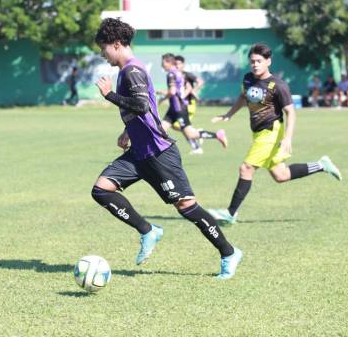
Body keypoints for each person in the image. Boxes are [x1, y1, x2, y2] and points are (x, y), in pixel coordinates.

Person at [90, 18, 242, 279]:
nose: (104, 55)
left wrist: (109, 96)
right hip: (140, 152)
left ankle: (229, 253)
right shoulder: (129, 70)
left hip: (159, 153)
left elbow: (140, 105)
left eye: (104, 49)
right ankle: (148, 230)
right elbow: (145, 107)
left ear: (116, 44)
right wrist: (129, 130)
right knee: (101, 190)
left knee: (187, 207)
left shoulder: (131, 71)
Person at [207, 43, 342, 225]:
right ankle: (321, 165)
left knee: (246, 168)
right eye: (252, 61)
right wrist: (228, 115)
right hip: (258, 133)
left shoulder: (278, 85)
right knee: (281, 175)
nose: (255, 65)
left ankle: (231, 213)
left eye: (259, 61)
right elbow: (243, 97)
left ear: (268, 61)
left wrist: (288, 137)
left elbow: (291, 113)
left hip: (271, 132)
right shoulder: (248, 79)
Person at [160, 53, 227, 154]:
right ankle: (158, 153)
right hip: (175, 108)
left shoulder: (171, 74)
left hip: (179, 109)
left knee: (190, 134)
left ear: (169, 62)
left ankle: (217, 135)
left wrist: (162, 99)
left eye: (163, 62)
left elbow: (173, 91)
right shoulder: (179, 73)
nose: (162, 65)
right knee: (160, 131)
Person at [175, 55, 204, 149]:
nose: (177, 66)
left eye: (178, 64)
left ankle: (199, 134)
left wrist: (194, 91)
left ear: (183, 64)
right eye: (175, 64)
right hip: (181, 104)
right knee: (180, 127)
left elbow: (200, 81)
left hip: (189, 104)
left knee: (178, 125)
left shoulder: (187, 75)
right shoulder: (175, 75)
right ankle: (197, 139)